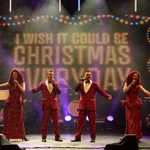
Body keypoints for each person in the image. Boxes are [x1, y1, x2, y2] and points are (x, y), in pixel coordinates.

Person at [71, 70, 112, 142]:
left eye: (89, 75)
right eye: (87, 75)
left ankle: (93, 138)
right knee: (80, 123)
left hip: (91, 105)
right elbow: (76, 90)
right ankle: (77, 137)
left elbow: (100, 91)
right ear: (85, 76)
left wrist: (107, 96)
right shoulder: (81, 84)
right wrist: (79, 83)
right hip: (82, 105)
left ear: (91, 76)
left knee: (92, 123)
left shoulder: (94, 84)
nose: (88, 76)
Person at [31, 69, 63, 142]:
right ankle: (44, 137)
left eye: (52, 74)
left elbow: (59, 92)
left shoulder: (56, 83)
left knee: (56, 122)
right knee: (45, 122)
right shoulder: (42, 84)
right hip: (46, 105)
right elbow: (36, 89)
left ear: (53, 75)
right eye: (49, 74)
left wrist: (54, 84)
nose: (51, 76)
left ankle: (57, 137)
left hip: (54, 105)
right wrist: (32, 89)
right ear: (47, 75)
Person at [122, 70, 150, 141]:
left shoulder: (138, 85)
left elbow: (145, 91)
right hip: (128, 104)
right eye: (134, 76)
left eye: (137, 76)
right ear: (131, 76)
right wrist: (131, 84)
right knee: (129, 120)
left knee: (136, 121)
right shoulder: (127, 83)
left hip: (135, 104)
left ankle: (136, 136)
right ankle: (129, 135)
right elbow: (124, 91)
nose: (135, 77)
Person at [0, 69, 28, 141]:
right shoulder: (10, 83)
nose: (14, 75)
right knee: (9, 119)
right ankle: (8, 135)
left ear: (18, 75)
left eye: (15, 74)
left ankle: (21, 135)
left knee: (19, 120)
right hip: (10, 103)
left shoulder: (22, 82)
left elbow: (23, 90)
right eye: (13, 74)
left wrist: (18, 83)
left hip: (18, 103)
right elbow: (1, 85)